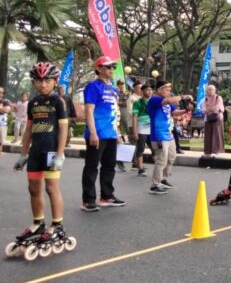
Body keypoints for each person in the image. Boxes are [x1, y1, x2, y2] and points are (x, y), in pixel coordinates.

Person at [10, 63, 73, 259]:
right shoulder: (33, 103)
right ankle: (38, 223)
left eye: (47, 80)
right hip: (36, 152)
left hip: (51, 151)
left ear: (54, 82)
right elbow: (28, 130)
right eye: (39, 81)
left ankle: (57, 225)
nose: (43, 84)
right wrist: (23, 153)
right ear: (34, 82)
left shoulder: (59, 102)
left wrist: (60, 154)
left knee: (51, 188)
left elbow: (63, 129)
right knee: (33, 189)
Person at [81, 56, 126, 212]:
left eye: (112, 67)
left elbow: (115, 112)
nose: (111, 70)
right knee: (92, 167)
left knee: (109, 166)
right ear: (99, 68)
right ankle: (88, 200)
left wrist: (118, 133)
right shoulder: (93, 87)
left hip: (111, 133)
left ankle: (107, 196)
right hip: (98, 133)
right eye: (107, 67)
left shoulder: (113, 88)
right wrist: (93, 133)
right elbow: (89, 110)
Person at [147, 80, 193, 194]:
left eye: (169, 90)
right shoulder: (155, 100)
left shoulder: (167, 103)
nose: (169, 92)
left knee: (171, 157)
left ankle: (162, 178)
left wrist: (186, 110)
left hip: (168, 134)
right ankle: (155, 184)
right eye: (167, 90)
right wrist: (183, 97)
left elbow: (175, 112)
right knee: (161, 160)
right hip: (158, 135)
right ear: (159, 90)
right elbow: (169, 100)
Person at [131, 84, 153, 177]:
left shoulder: (153, 102)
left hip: (152, 130)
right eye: (147, 90)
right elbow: (134, 117)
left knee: (155, 148)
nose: (150, 92)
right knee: (140, 149)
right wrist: (135, 131)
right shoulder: (137, 103)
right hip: (142, 130)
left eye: (151, 90)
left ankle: (159, 168)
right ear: (142, 91)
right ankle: (140, 169)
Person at [203, 85, 225, 157]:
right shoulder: (205, 99)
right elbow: (204, 109)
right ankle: (207, 152)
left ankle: (217, 151)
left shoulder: (218, 98)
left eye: (212, 89)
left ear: (215, 90)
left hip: (217, 118)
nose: (210, 91)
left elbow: (217, 108)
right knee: (208, 135)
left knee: (216, 134)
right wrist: (210, 109)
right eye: (209, 89)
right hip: (208, 119)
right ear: (207, 91)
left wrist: (209, 109)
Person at [0, 86, 11, 156]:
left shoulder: (6, 101)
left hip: (2, 125)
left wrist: (2, 109)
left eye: (1, 92)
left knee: (0, 143)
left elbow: (6, 110)